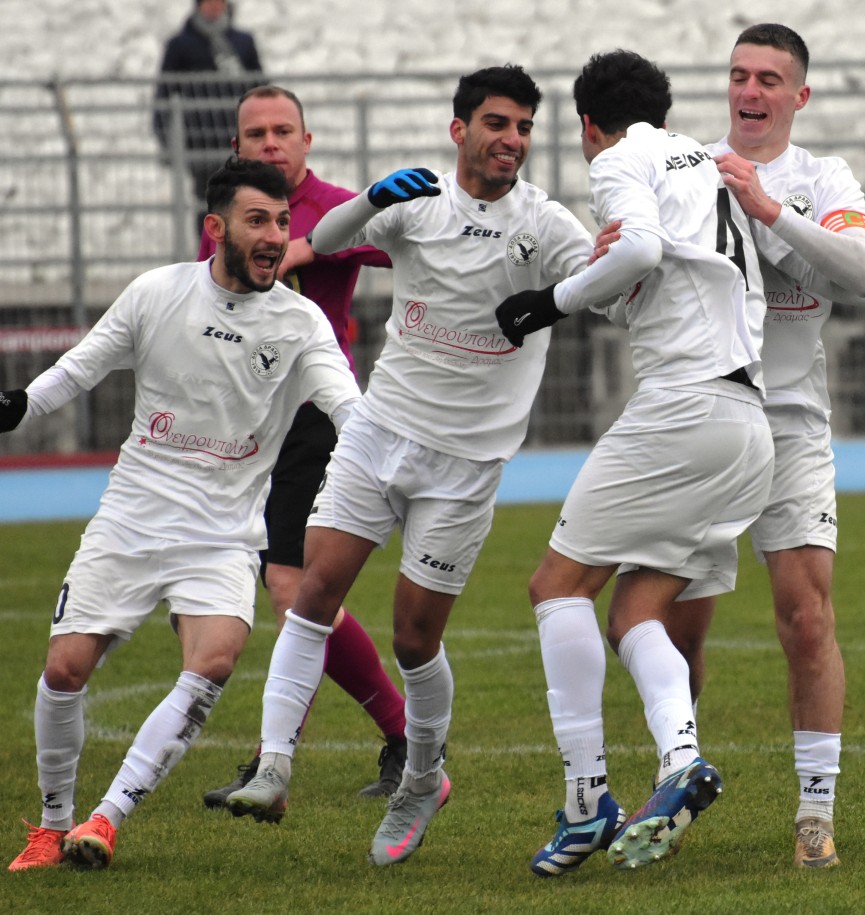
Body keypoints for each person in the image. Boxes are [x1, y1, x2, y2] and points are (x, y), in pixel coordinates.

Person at [222, 65, 603, 868]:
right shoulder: (418, 200)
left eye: (524, 127)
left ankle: (423, 777)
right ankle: (274, 764)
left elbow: (605, 280)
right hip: (378, 432)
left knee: (414, 636)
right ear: (460, 129)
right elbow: (325, 240)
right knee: (311, 592)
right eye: (497, 123)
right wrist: (371, 198)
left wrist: (573, 287)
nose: (512, 139)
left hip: (465, 463)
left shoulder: (545, 223)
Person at [3, 157, 360, 872]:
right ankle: (50, 825)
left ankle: (105, 820)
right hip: (132, 517)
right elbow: (81, 367)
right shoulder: (157, 293)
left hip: (224, 533)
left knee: (215, 660)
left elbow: (344, 401)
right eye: (257, 220)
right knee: (64, 670)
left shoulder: (300, 323)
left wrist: (377, 453)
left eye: (282, 221)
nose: (274, 236)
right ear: (215, 228)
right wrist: (18, 405)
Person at [662, 23, 865, 870]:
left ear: (800, 95)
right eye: (739, 75)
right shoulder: (686, 169)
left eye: (768, 78)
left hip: (791, 425)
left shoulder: (823, 178)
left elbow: (856, 267)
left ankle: (814, 814)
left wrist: (769, 208)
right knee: (676, 629)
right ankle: (675, 781)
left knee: (806, 615)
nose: (750, 91)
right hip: (704, 421)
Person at [494, 48, 775, 875]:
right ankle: (681, 757)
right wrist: (603, 274)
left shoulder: (620, 158)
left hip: (683, 409)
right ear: (666, 109)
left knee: (556, 586)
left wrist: (549, 301)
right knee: (634, 613)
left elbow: (643, 251)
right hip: (746, 423)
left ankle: (587, 802)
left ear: (588, 124)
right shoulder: (708, 165)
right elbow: (659, 278)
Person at [195, 85, 407, 809]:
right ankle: (396, 740)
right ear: (236, 146)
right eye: (256, 133)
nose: (270, 143)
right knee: (291, 591)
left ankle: (279, 763)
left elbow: (401, 242)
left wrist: (314, 245)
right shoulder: (225, 217)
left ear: (306, 141)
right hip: (252, 423)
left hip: (318, 416)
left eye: (283, 131)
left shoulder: (336, 206)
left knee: (293, 589)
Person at [153, 0, 264, 229]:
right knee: (208, 203)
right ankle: (207, 249)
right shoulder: (180, 45)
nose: (215, 6)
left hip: (241, 139)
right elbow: (164, 92)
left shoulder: (242, 42)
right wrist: (164, 136)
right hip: (200, 141)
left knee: (244, 201)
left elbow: (260, 87)